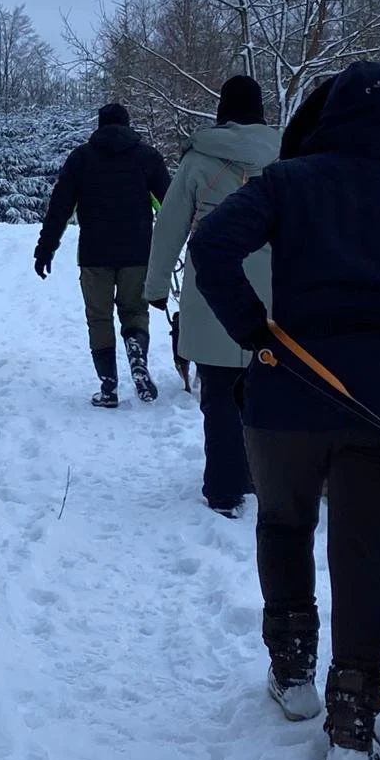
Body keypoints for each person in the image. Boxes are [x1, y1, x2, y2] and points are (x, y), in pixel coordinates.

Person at [189, 60, 380, 760]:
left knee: (283, 525)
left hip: (285, 394)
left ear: (329, 115)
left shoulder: (289, 183)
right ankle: (352, 731)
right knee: (365, 558)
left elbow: (211, 248)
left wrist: (255, 333)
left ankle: (292, 677)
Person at [145, 76, 279, 512]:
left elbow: (169, 228)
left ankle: (224, 487)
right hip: (277, 294)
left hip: (213, 291)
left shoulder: (198, 161)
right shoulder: (289, 156)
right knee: (269, 389)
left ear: (222, 111)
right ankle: (262, 476)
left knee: (219, 392)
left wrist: (156, 286)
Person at [34, 102, 171, 408]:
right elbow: (169, 205)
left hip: (94, 253)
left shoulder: (81, 158)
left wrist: (45, 249)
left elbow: (60, 209)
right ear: (128, 124)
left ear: (99, 125)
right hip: (138, 251)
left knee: (99, 317)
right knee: (135, 311)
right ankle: (137, 355)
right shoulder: (147, 157)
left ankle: (108, 385)